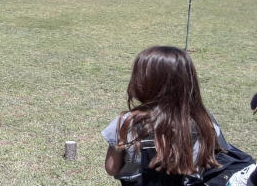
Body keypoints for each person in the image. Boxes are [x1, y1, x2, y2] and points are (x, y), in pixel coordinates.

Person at [102, 46, 256, 185]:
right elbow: (211, 161)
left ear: (142, 82)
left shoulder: (125, 122)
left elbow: (111, 168)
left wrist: (119, 146)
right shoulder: (202, 121)